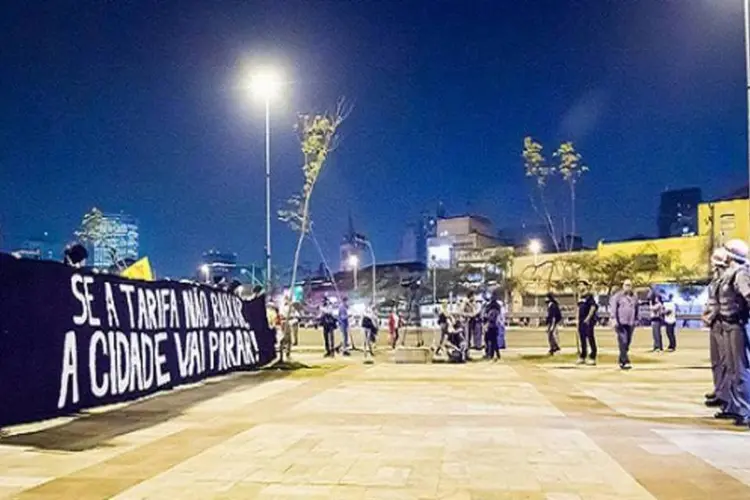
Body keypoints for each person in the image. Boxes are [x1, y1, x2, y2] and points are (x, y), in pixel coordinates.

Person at [714, 239, 750, 427]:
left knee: (740, 369)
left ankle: (745, 410)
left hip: (737, 324)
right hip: (727, 323)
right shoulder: (729, 274)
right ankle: (736, 408)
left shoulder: (740, 273)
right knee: (731, 368)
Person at [704, 248, 731, 410]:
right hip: (715, 322)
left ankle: (726, 394)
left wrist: (710, 315)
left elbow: (721, 302)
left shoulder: (730, 277)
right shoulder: (717, 280)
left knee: (725, 361)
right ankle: (720, 390)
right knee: (717, 361)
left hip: (722, 321)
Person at [610, 279, 638, 370]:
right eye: (626, 285)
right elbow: (613, 309)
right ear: (623, 286)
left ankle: (621, 359)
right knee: (623, 341)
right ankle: (625, 361)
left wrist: (636, 320)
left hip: (630, 323)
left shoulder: (634, 297)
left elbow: (637, 309)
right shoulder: (618, 296)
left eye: (629, 285)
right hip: (620, 323)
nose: (628, 287)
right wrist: (614, 320)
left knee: (627, 343)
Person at [577, 283, 599, 365]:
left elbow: (593, 307)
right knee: (582, 339)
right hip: (581, 320)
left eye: (581, 285)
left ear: (586, 286)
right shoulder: (580, 297)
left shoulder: (590, 296)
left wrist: (588, 318)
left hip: (588, 321)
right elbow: (579, 308)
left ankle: (593, 356)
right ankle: (583, 356)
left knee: (590, 338)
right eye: (579, 285)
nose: (579, 287)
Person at [484, 293, 504, 361]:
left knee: (489, 341)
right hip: (495, 327)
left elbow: (489, 318)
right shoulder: (498, 309)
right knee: (494, 341)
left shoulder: (491, 311)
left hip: (490, 326)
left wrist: (486, 317)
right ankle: (497, 354)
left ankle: (490, 354)